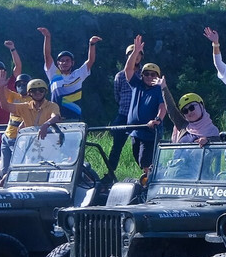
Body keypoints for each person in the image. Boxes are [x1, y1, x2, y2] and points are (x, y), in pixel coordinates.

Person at [124, 34, 167, 174]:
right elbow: (128, 70)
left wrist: (158, 119)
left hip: (150, 132)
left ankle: (149, 182)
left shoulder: (159, 89)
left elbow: (163, 106)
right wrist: (136, 52)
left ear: (157, 77)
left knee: (145, 161)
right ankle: (149, 180)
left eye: (153, 74)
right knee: (139, 160)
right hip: (136, 130)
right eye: (146, 74)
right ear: (142, 75)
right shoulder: (137, 85)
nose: (149, 77)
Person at [38, 27, 100, 121]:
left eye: (67, 60)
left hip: (74, 117)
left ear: (72, 63)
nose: (64, 63)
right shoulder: (53, 74)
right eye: (62, 61)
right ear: (58, 63)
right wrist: (47, 37)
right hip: (55, 117)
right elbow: (47, 56)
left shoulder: (78, 75)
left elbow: (90, 60)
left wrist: (92, 44)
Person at [107, 43, 141, 175]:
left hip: (139, 116)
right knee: (116, 146)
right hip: (123, 114)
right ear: (127, 56)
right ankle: (110, 174)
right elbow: (117, 95)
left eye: (138, 54)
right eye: (132, 54)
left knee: (139, 147)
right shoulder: (120, 76)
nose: (135, 57)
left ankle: (147, 174)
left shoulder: (146, 73)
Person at [0, 76, 61, 140]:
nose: (37, 92)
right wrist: (0, 88)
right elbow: (5, 106)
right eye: (33, 90)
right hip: (30, 143)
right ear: (29, 93)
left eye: (41, 90)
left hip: (47, 141)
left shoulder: (52, 105)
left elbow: (56, 117)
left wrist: (46, 125)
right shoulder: (25, 107)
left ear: (45, 92)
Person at [160, 77, 219, 144]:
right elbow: (171, 109)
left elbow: (216, 148)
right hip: (180, 154)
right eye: (185, 111)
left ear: (201, 105)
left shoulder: (212, 130)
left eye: (192, 108)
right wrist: (164, 87)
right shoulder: (183, 125)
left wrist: (207, 141)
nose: (189, 112)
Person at [0, 73, 31, 183]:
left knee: (17, 166)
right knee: (4, 168)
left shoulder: (33, 100)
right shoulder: (14, 96)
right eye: (19, 84)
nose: (22, 86)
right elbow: (1, 92)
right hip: (7, 137)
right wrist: (0, 85)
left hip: (19, 139)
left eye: (25, 84)